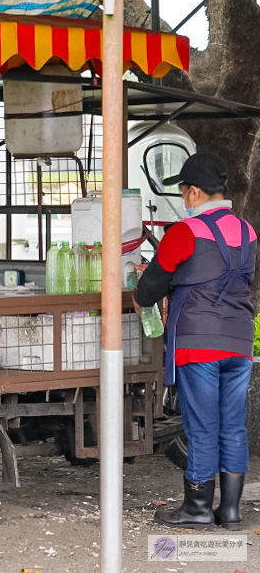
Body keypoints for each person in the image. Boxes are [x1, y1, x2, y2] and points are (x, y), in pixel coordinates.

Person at [134, 152, 256, 531]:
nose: (184, 197)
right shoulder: (249, 232)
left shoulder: (184, 233)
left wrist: (141, 298)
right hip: (238, 343)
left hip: (199, 344)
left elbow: (151, 286)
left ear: (194, 193)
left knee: (202, 426)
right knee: (232, 426)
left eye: (184, 190)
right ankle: (231, 511)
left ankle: (198, 509)